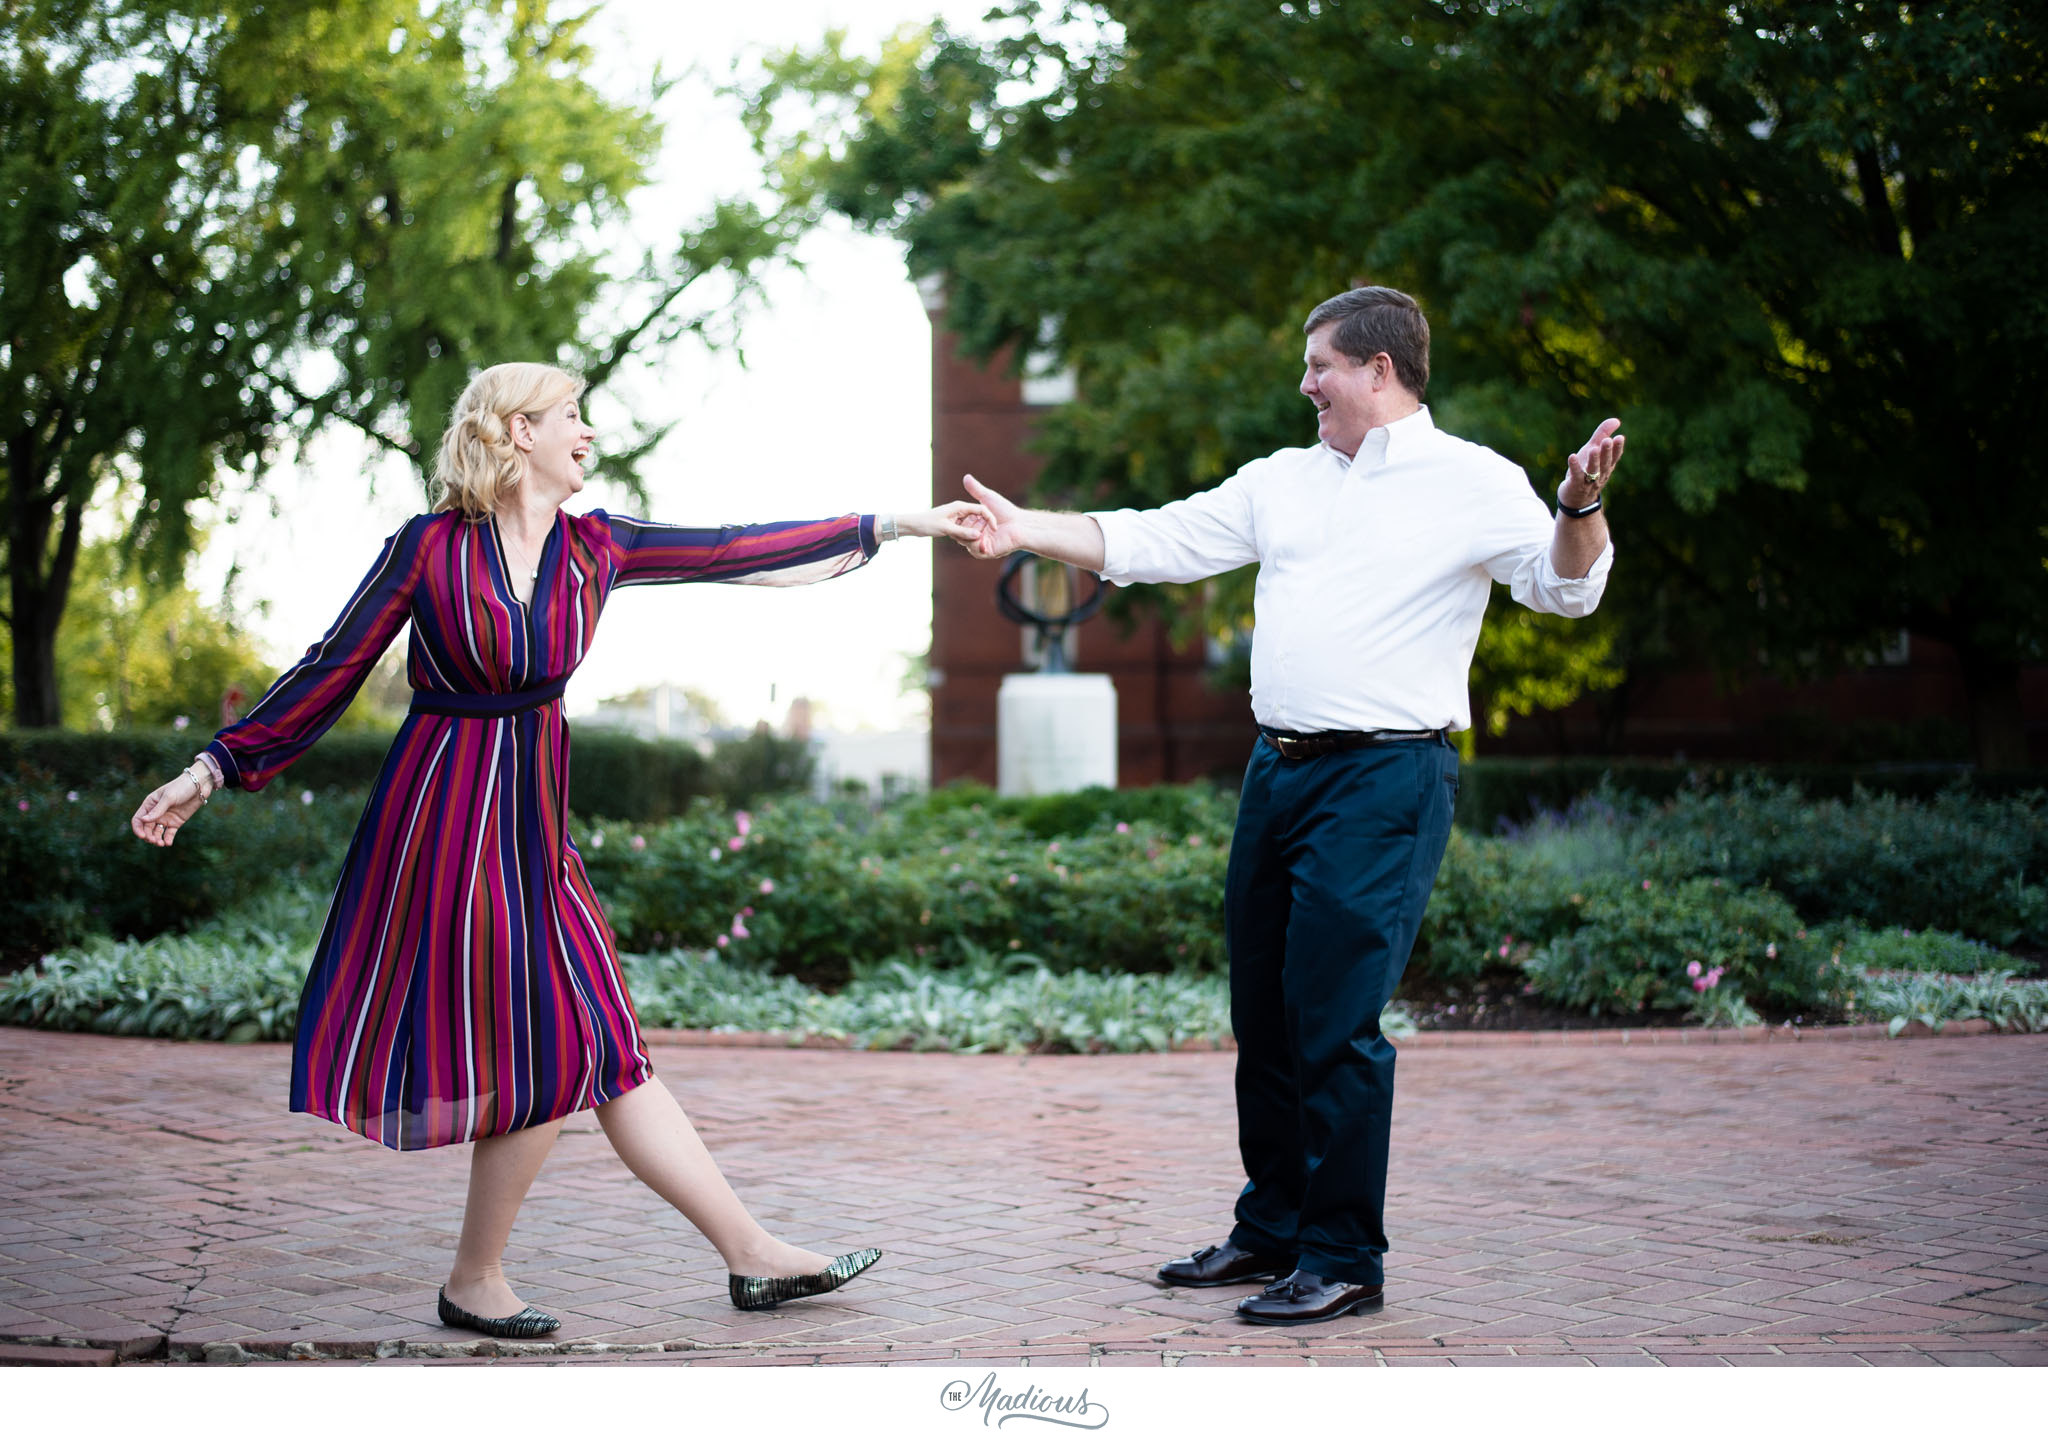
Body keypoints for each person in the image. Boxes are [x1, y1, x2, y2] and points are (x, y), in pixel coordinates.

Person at [128, 361, 985, 1338]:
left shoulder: (596, 544)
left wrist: (897, 525)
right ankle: (504, 1274)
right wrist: (212, 768)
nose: (587, 431)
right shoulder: (428, 549)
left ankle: (721, 1256)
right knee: (562, 1034)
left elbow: (734, 548)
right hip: (446, 817)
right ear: (512, 431)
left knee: (599, 1040)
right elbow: (333, 663)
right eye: (569, 415)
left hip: (533, 827)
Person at [956, 286, 1623, 1326]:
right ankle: (1271, 1227)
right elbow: (1153, 540)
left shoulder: (1472, 481)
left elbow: (1564, 587)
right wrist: (1018, 528)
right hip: (1278, 772)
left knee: (1333, 1018)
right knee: (1262, 1011)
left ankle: (1343, 1254)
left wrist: (1576, 505)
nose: (1304, 383)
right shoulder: (1282, 482)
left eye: (1318, 365)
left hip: (1385, 780)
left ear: (1377, 370)